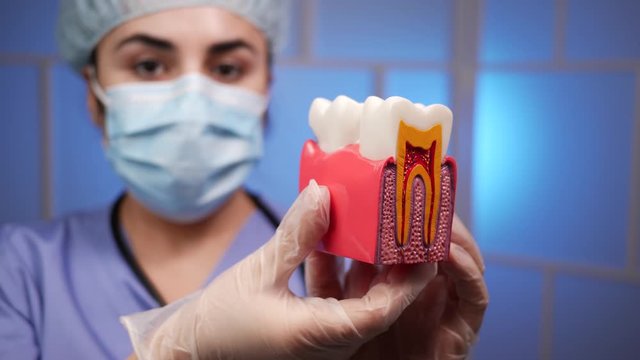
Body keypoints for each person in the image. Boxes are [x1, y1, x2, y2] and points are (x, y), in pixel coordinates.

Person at [0, 0, 488, 359]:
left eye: (227, 67)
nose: (193, 97)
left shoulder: (345, 274)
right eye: (149, 65)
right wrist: (175, 351)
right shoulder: (17, 270)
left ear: (266, 92)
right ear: (93, 92)